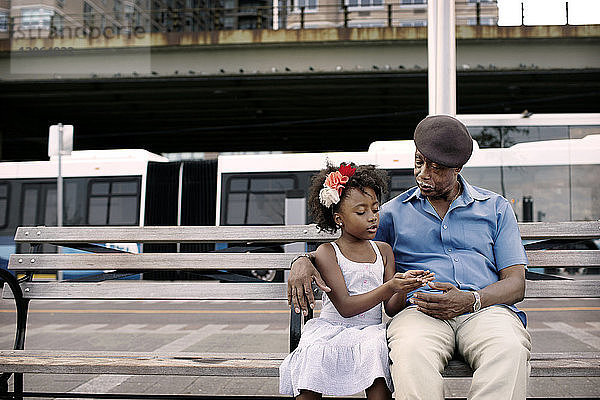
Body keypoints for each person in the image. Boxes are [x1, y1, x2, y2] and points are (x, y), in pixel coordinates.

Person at [287, 115, 532, 400]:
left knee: (510, 349)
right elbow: (349, 248)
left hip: (484, 310)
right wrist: (302, 261)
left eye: (436, 168)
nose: (423, 174)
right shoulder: (391, 213)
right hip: (419, 313)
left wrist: (471, 299)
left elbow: (516, 284)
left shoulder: (496, 208)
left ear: (458, 169)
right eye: (419, 162)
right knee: (410, 351)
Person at [279, 163, 434, 400]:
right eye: (361, 212)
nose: (372, 218)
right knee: (314, 352)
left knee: (375, 350)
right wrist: (390, 286)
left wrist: (403, 287)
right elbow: (346, 306)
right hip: (331, 330)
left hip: (370, 331)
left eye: (375, 209)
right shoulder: (328, 252)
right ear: (339, 218)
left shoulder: (383, 250)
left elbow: (392, 308)